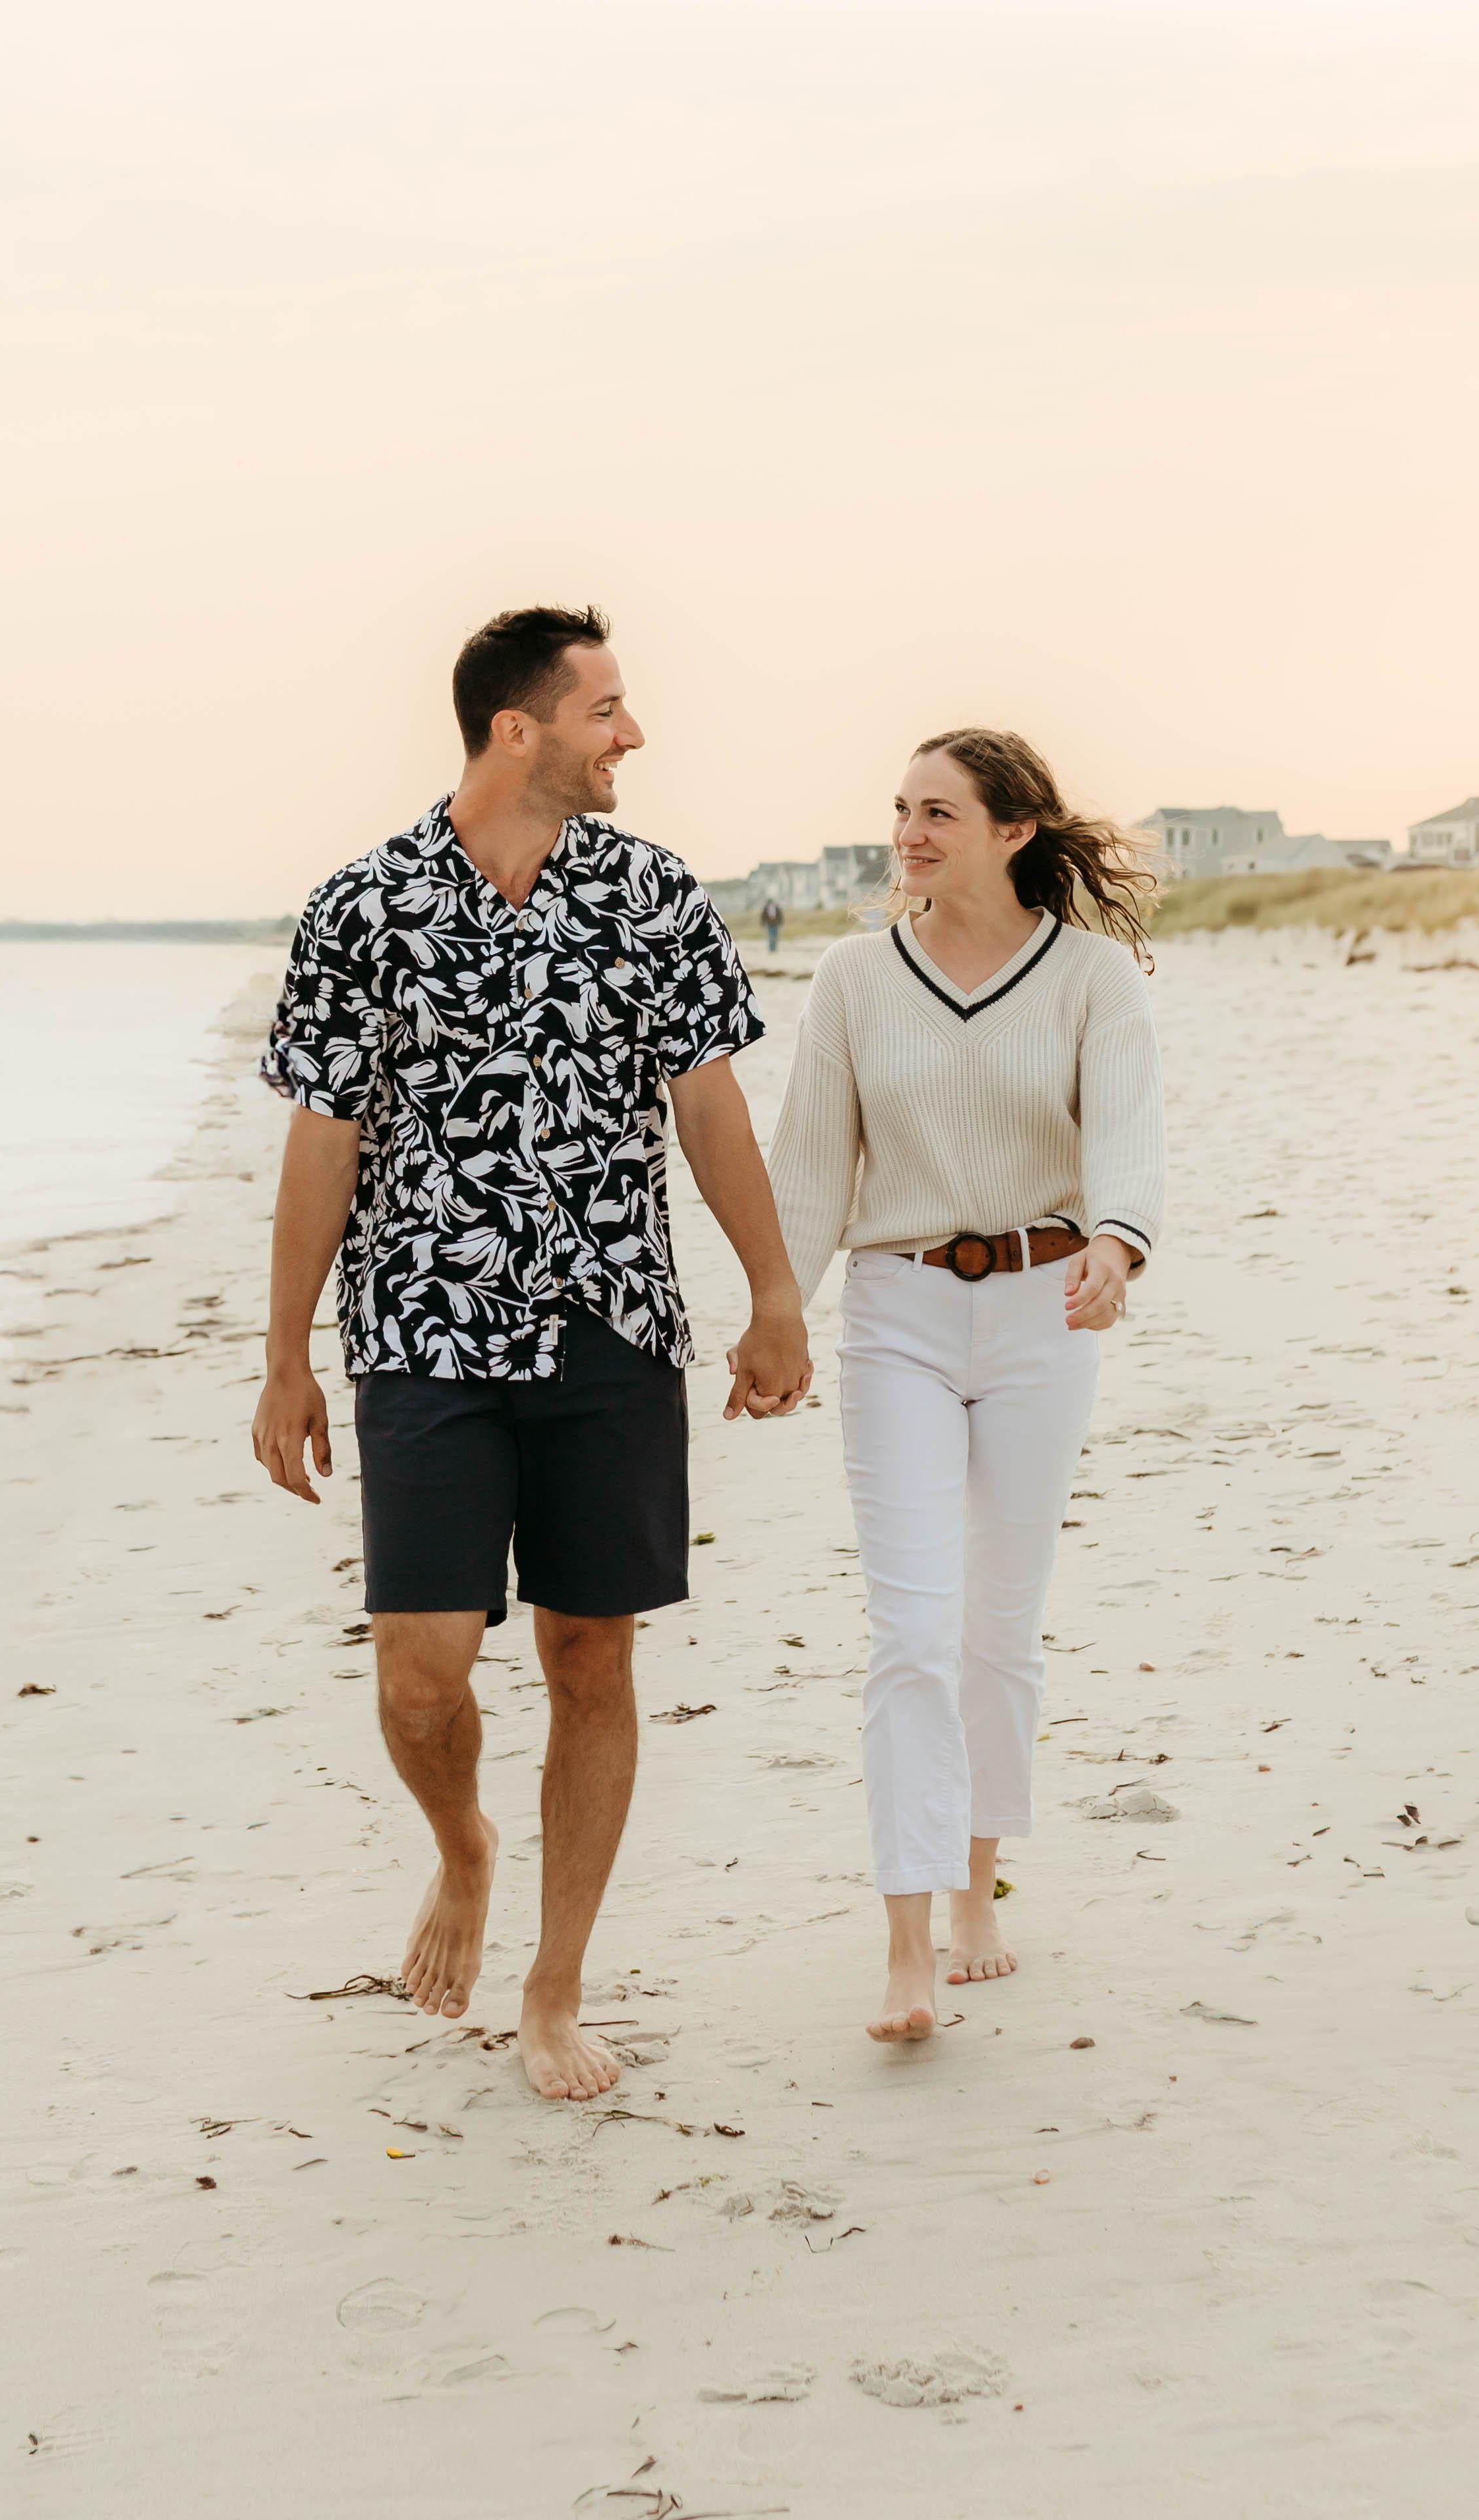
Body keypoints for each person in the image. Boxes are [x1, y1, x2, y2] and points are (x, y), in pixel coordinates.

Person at [251, 606, 816, 2100]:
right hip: (422, 1330)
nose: (632, 734)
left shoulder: (652, 893)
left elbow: (708, 1106)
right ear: (520, 728)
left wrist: (771, 1290)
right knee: (420, 1673)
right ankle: (462, 1845)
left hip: (609, 1324)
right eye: (605, 710)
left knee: (590, 1656)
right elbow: (322, 1139)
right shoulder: (363, 906)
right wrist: (285, 1354)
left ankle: (555, 1986)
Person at [765, 730, 1165, 2044]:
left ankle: (976, 1894)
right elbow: (809, 1167)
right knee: (911, 1631)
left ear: (1011, 828)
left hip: (1047, 1311)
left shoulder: (1092, 978)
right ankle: (905, 1948)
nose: (909, 833)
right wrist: (774, 1312)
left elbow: (1128, 1131)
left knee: (1000, 1624)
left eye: (938, 811)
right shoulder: (853, 978)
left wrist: (1116, 1243)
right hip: (900, 1312)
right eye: (901, 809)